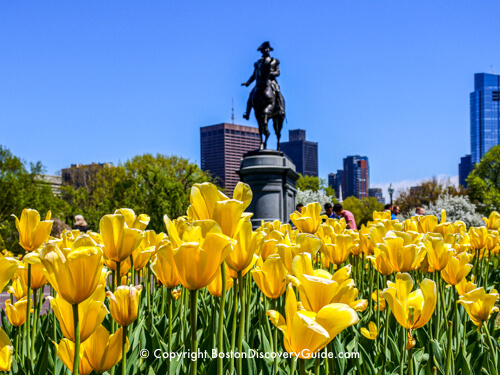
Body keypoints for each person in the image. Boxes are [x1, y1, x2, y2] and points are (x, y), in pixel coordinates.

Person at [242, 41, 285, 120]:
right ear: (262, 51)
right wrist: (248, 82)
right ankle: (247, 113)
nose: (267, 50)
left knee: (278, 92)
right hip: (261, 82)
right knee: (251, 94)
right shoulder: (258, 63)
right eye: (265, 49)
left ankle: (281, 109)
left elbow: (278, 72)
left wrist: (271, 73)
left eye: (268, 48)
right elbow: (254, 75)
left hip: (271, 81)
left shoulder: (275, 61)